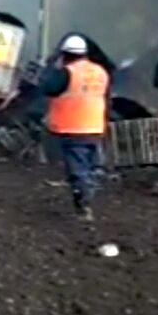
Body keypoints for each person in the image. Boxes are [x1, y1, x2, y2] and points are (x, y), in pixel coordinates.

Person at [40, 35, 109, 221]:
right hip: (94, 126)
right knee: (90, 163)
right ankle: (90, 187)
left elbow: (48, 88)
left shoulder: (66, 73)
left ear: (65, 55)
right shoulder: (100, 71)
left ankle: (84, 205)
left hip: (72, 127)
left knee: (77, 169)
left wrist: (51, 69)